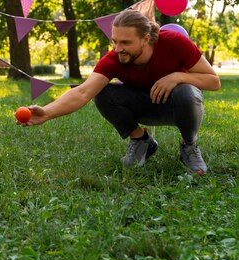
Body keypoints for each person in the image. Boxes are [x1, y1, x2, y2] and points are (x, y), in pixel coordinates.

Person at [22, 9, 221, 175]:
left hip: (179, 105)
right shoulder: (114, 58)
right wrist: (46, 113)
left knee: (186, 91)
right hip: (144, 106)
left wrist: (177, 77)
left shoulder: (174, 42)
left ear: (146, 38)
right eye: (115, 41)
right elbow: (83, 92)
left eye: (125, 42)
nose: (118, 48)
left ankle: (189, 146)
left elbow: (213, 81)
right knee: (104, 92)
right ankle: (141, 140)